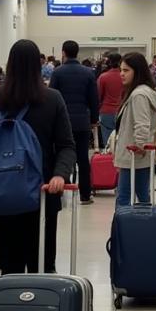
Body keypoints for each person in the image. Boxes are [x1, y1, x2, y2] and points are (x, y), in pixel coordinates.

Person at [0, 39, 76, 273]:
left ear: (9, 65)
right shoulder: (52, 99)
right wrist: (60, 175)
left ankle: (11, 305)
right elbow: (66, 145)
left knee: (9, 263)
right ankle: (41, 306)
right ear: (38, 65)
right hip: (43, 191)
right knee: (42, 263)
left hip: (2, 192)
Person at [49, 39, 99, 204]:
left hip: (61, 124)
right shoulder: (88, 73)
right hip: (82, 123)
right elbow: (93, 99)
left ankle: (60, 190)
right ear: (77, 53)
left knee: (60, 157)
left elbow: (52, 98)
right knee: (83, 159)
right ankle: (85, 194)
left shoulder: (57, 73)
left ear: (63, 52)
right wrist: (93, 120)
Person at [112, 52, 156, 207]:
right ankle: (144, 227)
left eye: (126, 70)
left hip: (133, 155)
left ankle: (122, 230)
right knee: (142, 194)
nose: (121, 74)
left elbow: (142, 123)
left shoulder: (138, 94)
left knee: (124, 197)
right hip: (138, 155)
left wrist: (140, 145)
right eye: (121, 70)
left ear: (137, 71)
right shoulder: (142, 91)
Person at [97, 52, 124, 140]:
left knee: (108, 143)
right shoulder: (125, 77)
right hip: (122, 111)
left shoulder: (103, 77)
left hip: (106, 111)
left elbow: (99, 96)